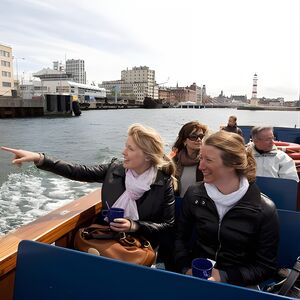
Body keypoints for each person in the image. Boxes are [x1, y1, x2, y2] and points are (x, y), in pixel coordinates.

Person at [1, 123, 176, 250]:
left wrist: (134, 226)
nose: (123, 152)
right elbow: (77, 171)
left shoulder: (163, 182)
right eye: (125, 146)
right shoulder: (114, 170)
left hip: (140, 248)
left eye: (130, 148)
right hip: (105, 241)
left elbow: (168, 226)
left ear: (147, 156)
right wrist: (39, 158)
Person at [174, 130, 279, 287]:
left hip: (238, 284)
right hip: (195, 276)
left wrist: (224, 276)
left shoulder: (263, 209)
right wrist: (185, 268)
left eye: (208, 160)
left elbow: (265, 266)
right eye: (200, 158)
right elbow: (179, 238)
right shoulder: (194, 194)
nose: (200, 166)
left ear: (232, 165)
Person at [172, 121, 208, 197]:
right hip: (178, 204)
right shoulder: (174, 161)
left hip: (199, 205)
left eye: (201, 136)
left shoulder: (207, 161)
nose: (198, 139)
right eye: (193, 137)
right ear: (184, 141)